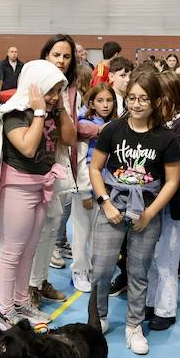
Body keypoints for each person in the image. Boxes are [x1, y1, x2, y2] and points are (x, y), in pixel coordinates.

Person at [0, 60, 75, 327]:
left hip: (42, 186)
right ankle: (5, 312)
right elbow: (26, 148)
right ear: (34, 87)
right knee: (12, 252)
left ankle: (22, 303)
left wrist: (58, 108)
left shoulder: (51, 110)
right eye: (49, 90)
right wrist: (39, 113)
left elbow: (70, 138)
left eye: (57, 91)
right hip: (17, 189)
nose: (52, 97)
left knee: (29, 251)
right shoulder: (14, 113)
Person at [88, 69, 180, 355]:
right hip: (112, 205)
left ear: (155, 101)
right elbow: (95, 168)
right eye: (131, 98)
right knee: (101, 267)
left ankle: (133, 325)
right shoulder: (113, 129)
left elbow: (172, 180)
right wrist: (105, 202)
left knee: (138, 272)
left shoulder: (165, 137)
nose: (137, 104)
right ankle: (98, 317)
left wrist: (150, 214)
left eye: (143, 98)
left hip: (145, 212)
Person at [26, 35, 79, 306]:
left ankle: (40, 280)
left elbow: (69, 138)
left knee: (52, 224)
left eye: (66, 56)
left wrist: (59, 105)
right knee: (29, 234)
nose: (60, 60)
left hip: (53, 169)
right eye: (56, 54)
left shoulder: (67, 92)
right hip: (27, 173)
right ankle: (26, 289)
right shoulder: (30, 85)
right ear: (45, 55)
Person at [145, 71, 180, 332]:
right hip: (152, 198)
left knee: (167, 256)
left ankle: (165, 308)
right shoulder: (155, 122)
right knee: (151, 255)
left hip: (171, 200)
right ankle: (152, 301)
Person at [70, 82, 116, 294]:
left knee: (100, 233)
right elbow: (80, 161)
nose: (105, 105)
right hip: (87, 188)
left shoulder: (114, 123)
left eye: (109, 100)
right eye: (100, 101)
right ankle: (79, 269)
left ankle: (94, 268)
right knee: (82, 231)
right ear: (91, 103)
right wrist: (85, 190)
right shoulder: (84, 124)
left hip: (107, 187)